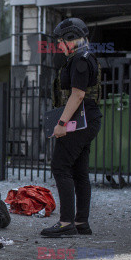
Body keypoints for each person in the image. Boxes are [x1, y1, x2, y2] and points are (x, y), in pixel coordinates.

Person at [40, 18, 102, 237]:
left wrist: (61, 124)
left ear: (70, 38)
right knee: (79, 172)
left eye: (60, 41)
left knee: (60, 166)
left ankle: (66, 223)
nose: (58, 46)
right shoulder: (82, 57)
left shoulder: (81, 60)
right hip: (86, 119)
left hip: (80, 120)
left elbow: (78, 94)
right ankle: (80, 222)